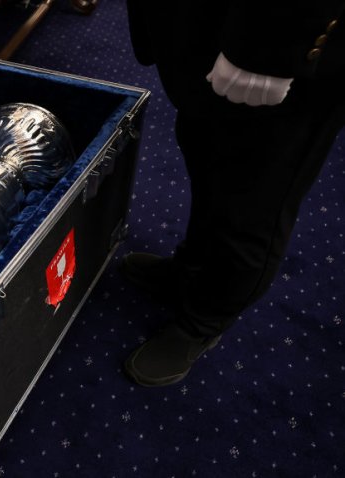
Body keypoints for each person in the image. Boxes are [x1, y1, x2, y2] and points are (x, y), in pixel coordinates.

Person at [121, 1, 345, 386]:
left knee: (257, 201)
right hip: (210, 29)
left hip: (281, 46)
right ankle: (192, 270)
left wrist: (271, 48)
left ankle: (205, 319)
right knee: (205, 153)